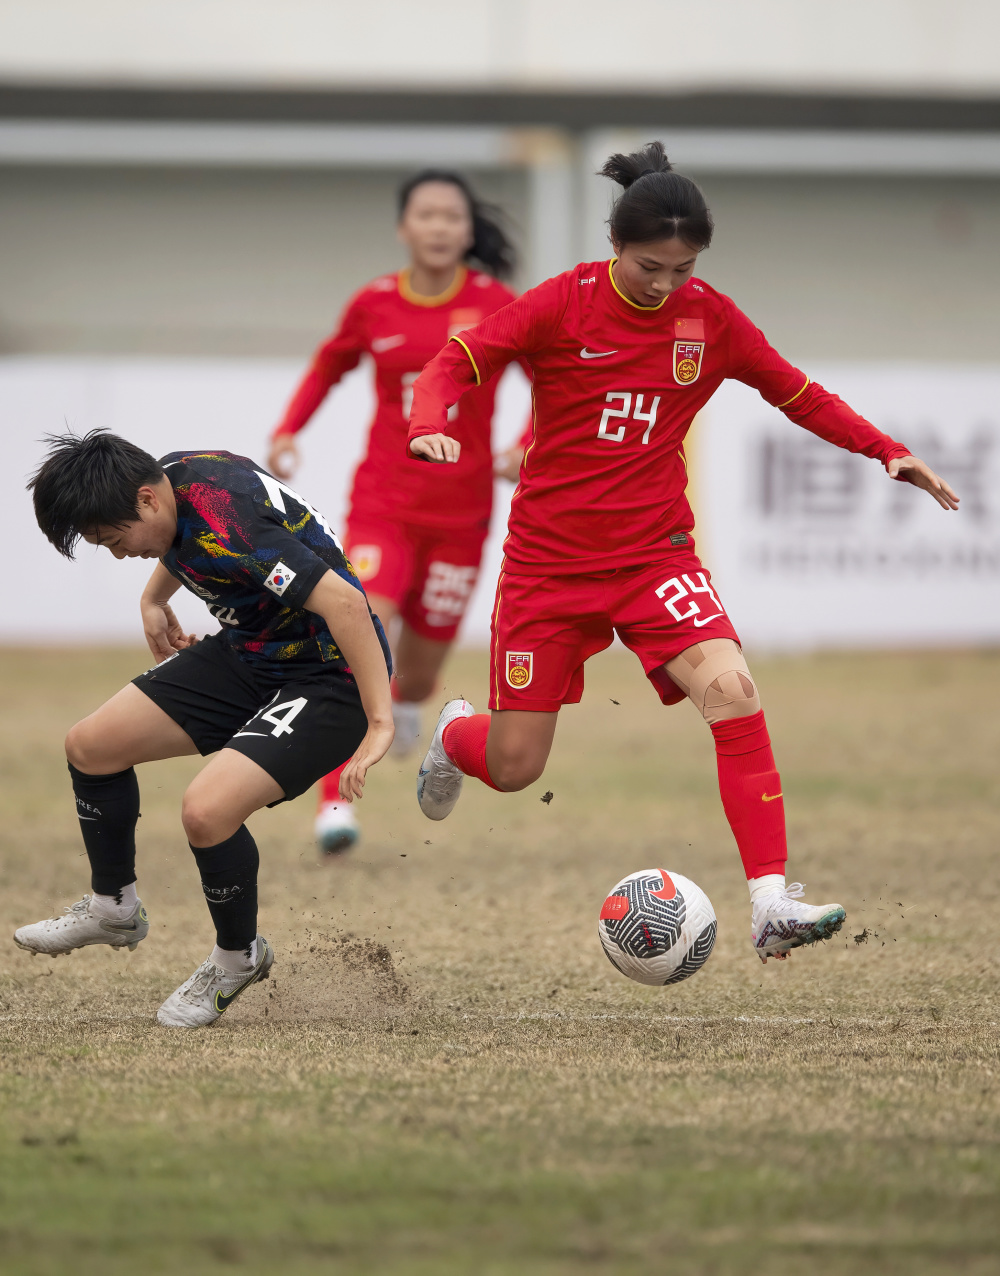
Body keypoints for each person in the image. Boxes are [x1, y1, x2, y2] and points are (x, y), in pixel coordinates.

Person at [403, 141, 960, 965]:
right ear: (615, 248)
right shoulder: (564, 305)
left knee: (732, 690)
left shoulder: (712, 319)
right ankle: (455, 737)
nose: (665, 285)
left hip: (654, 558)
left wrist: (886, 451)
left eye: (683, 267)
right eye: (649, 266)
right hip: (548, 570)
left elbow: (795, 391)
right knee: (516, 766)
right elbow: (455, 362)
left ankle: (771, 902)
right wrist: (428, 425)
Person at [15, 431, 392, 1026]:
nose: (117, 553)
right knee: (91, 747)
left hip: (327, 677)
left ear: (145, 502)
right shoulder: (170, 479)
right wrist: (152, 598)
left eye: (114, 541)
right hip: (251, 653)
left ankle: (237, 957)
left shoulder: (233, 526)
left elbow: (344, 603)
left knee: (206, 811)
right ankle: (114, 907)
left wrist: (379, 720)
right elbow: (179, 539)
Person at [268, 169, 530, 856]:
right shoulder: (374, 304)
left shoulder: (498, 303)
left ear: (468, 231)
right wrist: (290, 429)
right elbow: (330, 365)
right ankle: (334, 805)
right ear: (403, 228)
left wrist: (525, 443)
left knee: (412, 675)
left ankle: (409, 709)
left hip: (463, 512)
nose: (440, 226)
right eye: (427, 214)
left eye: (452, 215)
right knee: (359, 631)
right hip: (382, 503)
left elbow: (556, 377)